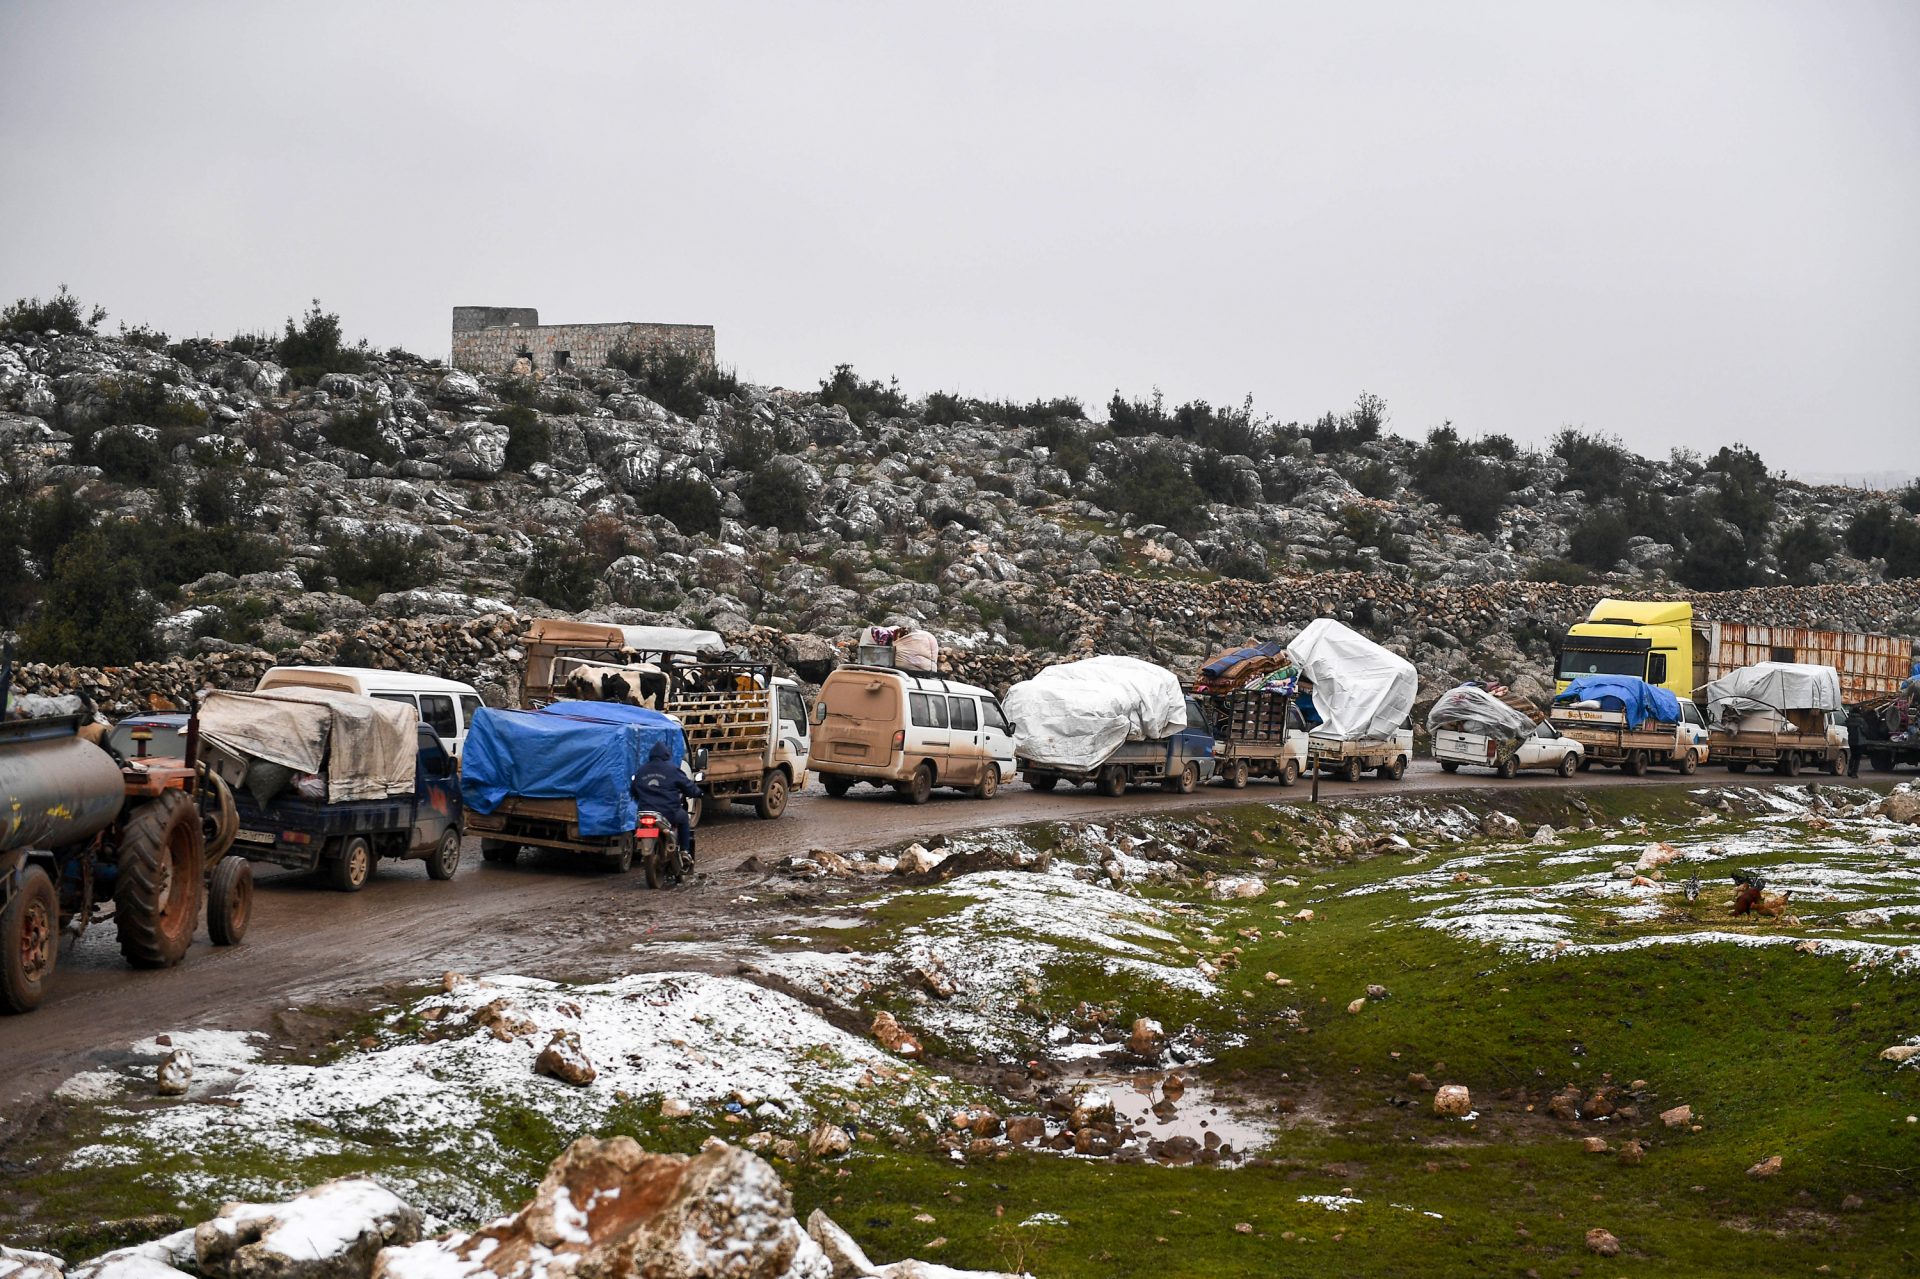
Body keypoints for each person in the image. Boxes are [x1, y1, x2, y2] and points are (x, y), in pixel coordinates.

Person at [630, 741, 700, 861]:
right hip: (668, 812)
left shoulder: (641, 770)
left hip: (645, 812)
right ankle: (684, 851)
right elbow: (688, 786)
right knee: (684, 818)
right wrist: (698, 792)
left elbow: (633, 790)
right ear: (667, 755)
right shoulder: (672, 769)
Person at [1846, 710, 1865, 778]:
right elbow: (1865, 730)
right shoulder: (1861, 720)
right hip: (1859, 741)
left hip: (1851, 740)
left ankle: (1849, 770)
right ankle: (1854, 773)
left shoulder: (1848, 720)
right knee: (1857, 758)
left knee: (1852, 756)